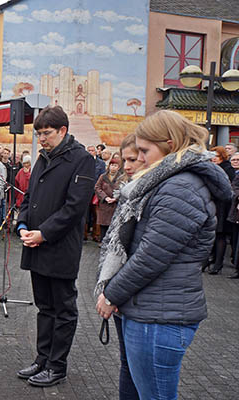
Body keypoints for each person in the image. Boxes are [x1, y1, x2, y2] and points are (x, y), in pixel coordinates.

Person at [95, 110, 232, 400]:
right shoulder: (169, 181)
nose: (140, 158)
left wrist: (111, 295)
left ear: (169, 144)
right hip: (150, 309)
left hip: (159, 316)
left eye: (144, 151)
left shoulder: (180, 186)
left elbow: (151, 256)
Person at [16, 106, 94, 387]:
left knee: (63, 309)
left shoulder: (82, 160)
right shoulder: (42, 158)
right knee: (44, 307)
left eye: (46, 133)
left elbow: (74, 208)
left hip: (59, 248)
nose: (41, 139)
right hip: (36, 245)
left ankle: (57, 366)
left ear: (63, 131)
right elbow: (29, 197)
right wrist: (23, 225)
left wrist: (43, 234)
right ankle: (42, 359)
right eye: (38, 134)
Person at [94, 133, 143, 400]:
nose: (126, 166)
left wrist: (112, 293)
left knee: (145, 378)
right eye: (123, 160)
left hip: (146, 304)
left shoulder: (163, 193)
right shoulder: (131, 190)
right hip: (127, 299)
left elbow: (147, 258)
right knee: (128, 367)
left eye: (133, 159)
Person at [207, 146, 235, 274]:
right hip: (213, 205)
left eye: (216, 156)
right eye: (212, 156)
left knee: (220, 235)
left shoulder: (227, 169)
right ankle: (210, 260)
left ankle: (217, 264)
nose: (213, 159)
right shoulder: (212, 167)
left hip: (222, 207)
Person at [94, 158, 123, 243]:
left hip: (115, 205)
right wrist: (105, 197)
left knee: (113, 226)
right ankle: (102, 242)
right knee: (103, 225)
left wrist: (116, 198)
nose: (113, 167)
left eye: (115, 165)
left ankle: (110, 243)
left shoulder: (121, 178)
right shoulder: (103, 176)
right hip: (104, 204)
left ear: (118, 167)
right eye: (111, 165)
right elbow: (97, 187)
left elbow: (123, 189)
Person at [85, 145, 106, 241]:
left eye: (92, 150)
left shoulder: (101, 163)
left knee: (96, 214)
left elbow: (102, 177)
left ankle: (96, 235)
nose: (90, 152)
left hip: (95, 192)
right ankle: (83, 234)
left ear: (95, 152)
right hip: (85, 191)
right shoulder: (83, 162)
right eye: (88, 150)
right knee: (84, 214)